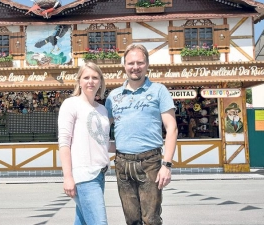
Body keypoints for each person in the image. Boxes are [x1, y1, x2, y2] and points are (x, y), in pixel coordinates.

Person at [105, 43, 178, 225]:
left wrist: (166, 165)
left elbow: (172, 128)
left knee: (151, 219)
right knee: (132, 219)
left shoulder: (159, 90)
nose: (135, 67)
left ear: (147, 65)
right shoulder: (113, 96)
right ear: (124, 65)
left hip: (150, 162)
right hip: (122, 162)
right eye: (131, 63)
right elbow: (101, 129)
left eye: (140, 63)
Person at [58, 62, 110, 225]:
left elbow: (103, 141)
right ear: (79, 81)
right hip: (84, 174)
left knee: (83, 222)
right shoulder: (71, 104)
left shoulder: (102, 109)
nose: (90, 81)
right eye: (86, 77)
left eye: (95, 77)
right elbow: (64, 142)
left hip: (100, 173)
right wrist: (68, 177)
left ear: (100, 81)